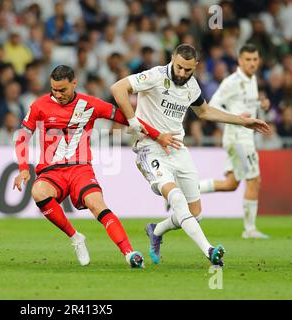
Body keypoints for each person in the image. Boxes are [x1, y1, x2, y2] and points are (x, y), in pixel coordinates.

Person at [110, 44, 269, 267]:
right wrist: (134, 121)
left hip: (177, 149)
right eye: (179, 67)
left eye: (188, 70)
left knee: (195, 214)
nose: (182, 73)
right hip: (149, 148)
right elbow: (118, 88)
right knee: (175, 198)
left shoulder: (192, 86)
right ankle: (210, 251)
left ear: (195, 66)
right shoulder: (155, 75)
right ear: (172, 59)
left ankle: (156, 229)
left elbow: (205, 111)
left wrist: (243, 121)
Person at [13, 65, 179, 268]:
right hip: (51, 171)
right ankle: (75, 237)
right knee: (38, 191)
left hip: (80, 169)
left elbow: (128, 119)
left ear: (74, 83)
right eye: (54, 90)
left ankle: (129, 253)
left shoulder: (90, 104)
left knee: (97, 205)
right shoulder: (39, 105)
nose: (58, 95)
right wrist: (23, 167)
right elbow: (22, 137)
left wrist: (158, 135)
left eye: (62, 90)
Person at [199, 44, 271, 239]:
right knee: (254, 180)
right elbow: (212, 105)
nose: (252, 63)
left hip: (242, 138)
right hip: (239, 138)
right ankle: (250, 230)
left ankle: (187, 190)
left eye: (255, 59)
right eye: (248, 59)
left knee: (231, 184)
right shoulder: (232, 81)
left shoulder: (252, 80)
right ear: (239, 61)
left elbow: (246, 105)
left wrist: (261, 105)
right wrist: (237, 116)